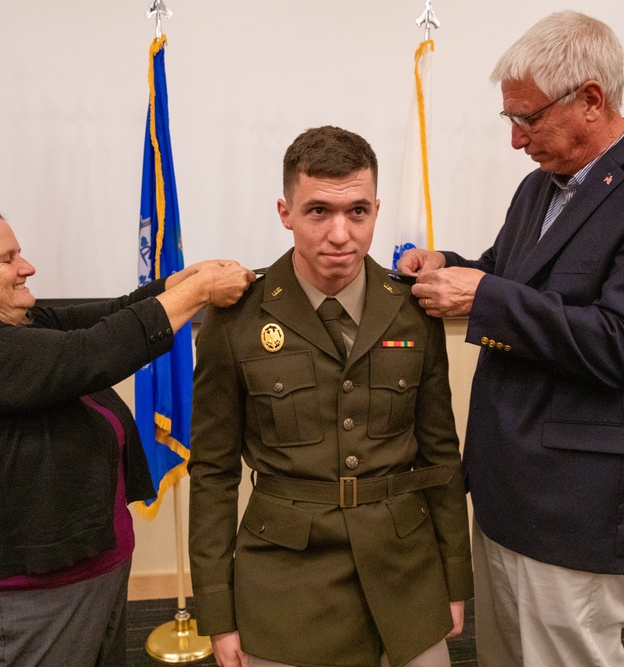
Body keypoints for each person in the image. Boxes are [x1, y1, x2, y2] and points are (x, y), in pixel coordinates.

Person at [397, 11, 624, 667]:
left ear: (592, 100)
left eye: (529, 119)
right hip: (501, 486)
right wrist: (449, 264)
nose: (516, 140)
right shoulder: (537, 188)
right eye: (509, 121)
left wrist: (484, 296)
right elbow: (515, 277)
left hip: (576, 502)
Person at [0, 204, 255, 666]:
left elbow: (106, 318)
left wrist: (174, 284)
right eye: (7, 258)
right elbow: (92, 352)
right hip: (25, 600)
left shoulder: (11, 324)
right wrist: (198, 293)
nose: (26, 267)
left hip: (88, 573)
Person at [188, 126, 473, 667]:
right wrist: (217, 612)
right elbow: (213, 472)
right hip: (285, 585)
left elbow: (440, 456)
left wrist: (454, 578)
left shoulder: (414, 310)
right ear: (285, 211)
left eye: (358, 212)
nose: (341, 233)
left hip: (405, 577)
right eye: (319, 210)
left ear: (376, 210)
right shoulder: (237, 318)